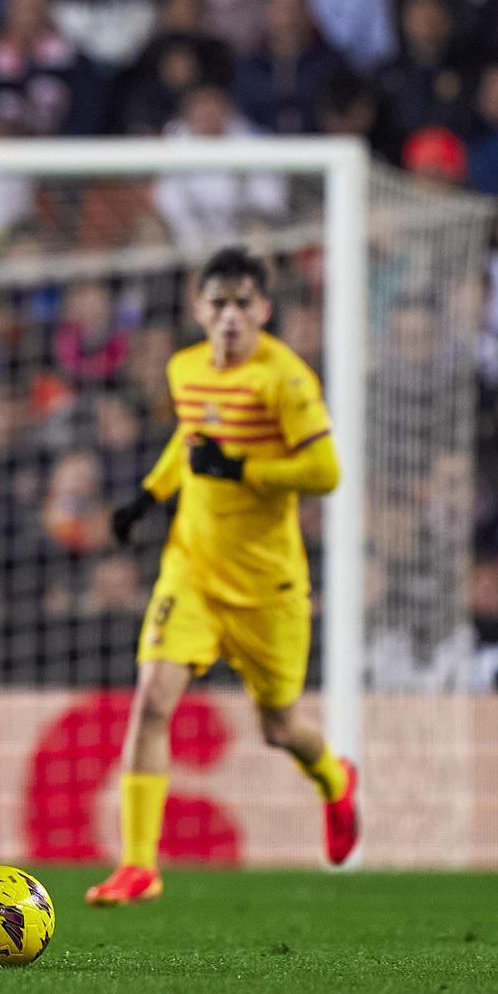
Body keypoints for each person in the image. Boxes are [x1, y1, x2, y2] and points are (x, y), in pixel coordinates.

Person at [87, 246, 358, 906]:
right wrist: (148, 498)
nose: (231, 315)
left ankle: (335, 777)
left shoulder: (285, 380)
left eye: (244, 303)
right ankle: (139, 864)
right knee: (152, 699)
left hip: (268, 586)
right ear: (198, 308)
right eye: (219, 302)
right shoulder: (185, 368)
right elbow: (191, 441)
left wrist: (242, 470)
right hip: (193, 570)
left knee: (279, 728)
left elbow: (326, 472)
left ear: (264, 310)